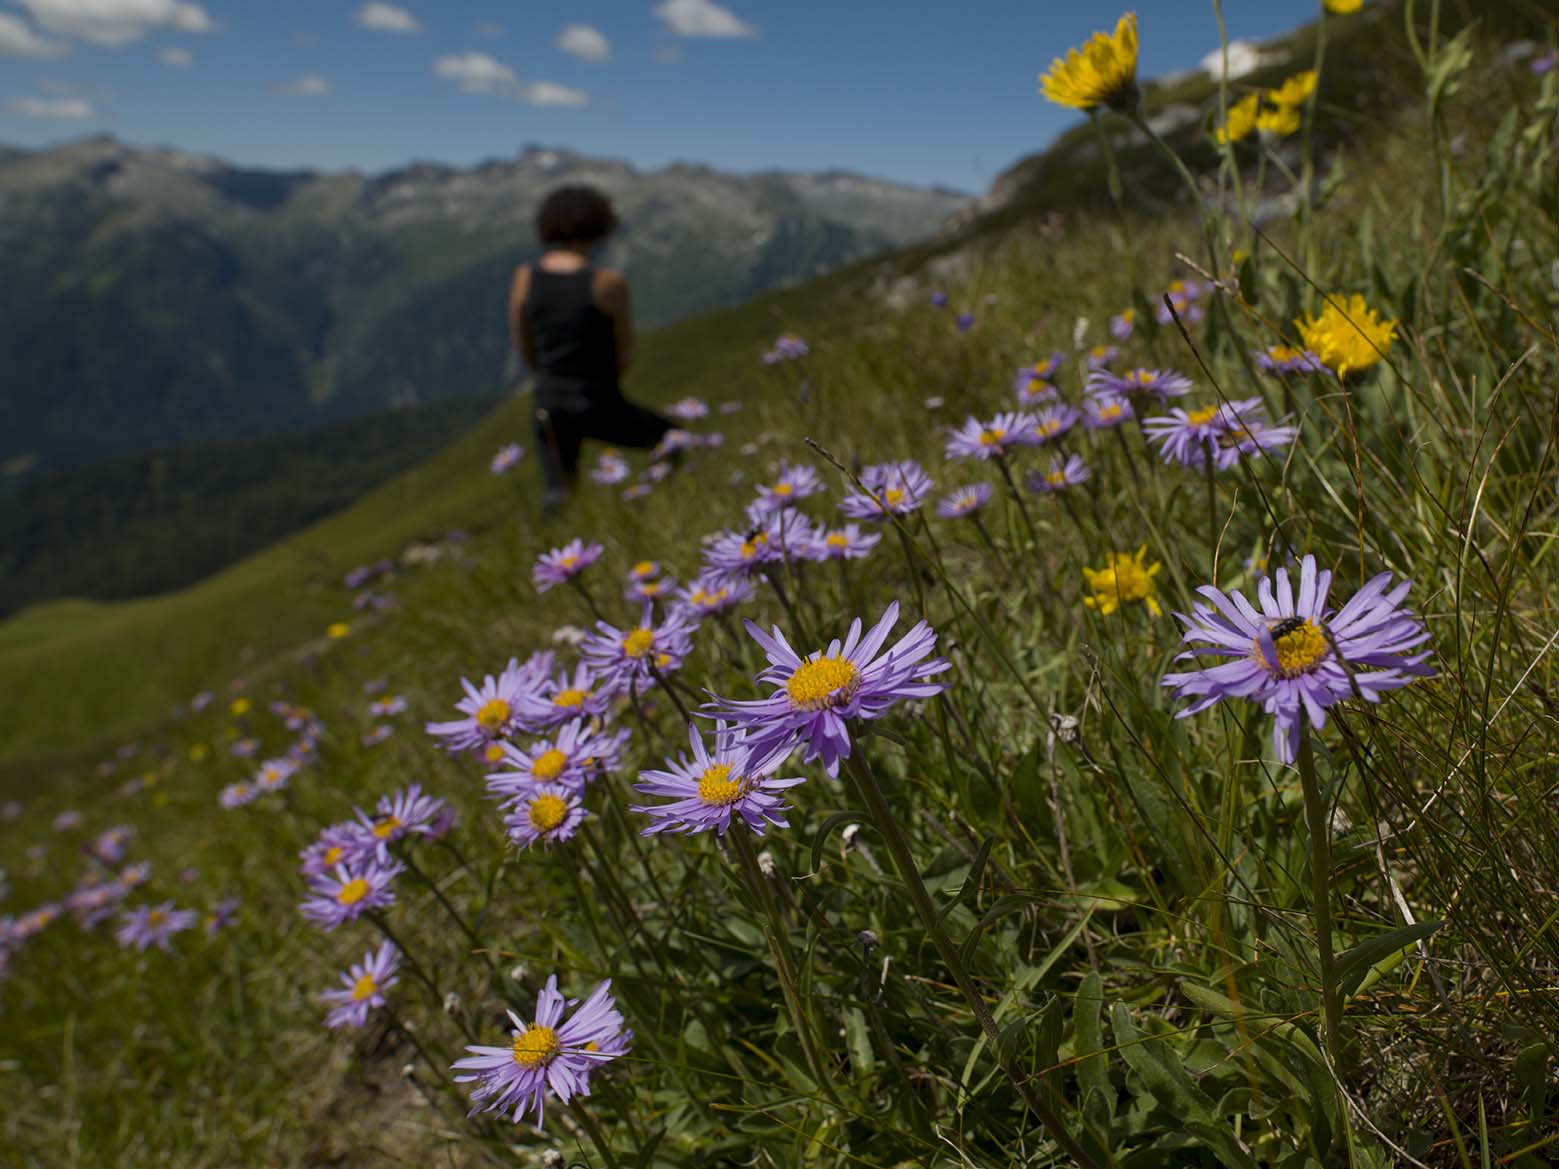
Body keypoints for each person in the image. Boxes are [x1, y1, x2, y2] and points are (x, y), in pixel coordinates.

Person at [509, 185, 674, 510]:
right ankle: (652, 508)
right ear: (599, 226)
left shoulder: (525, 277)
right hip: (594, 398)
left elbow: (522, 343)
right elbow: (624, 351)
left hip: (548, 400)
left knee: (558, 490)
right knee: (672, 441)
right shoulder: (608, 283)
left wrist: (547, 378)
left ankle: (548, 550)